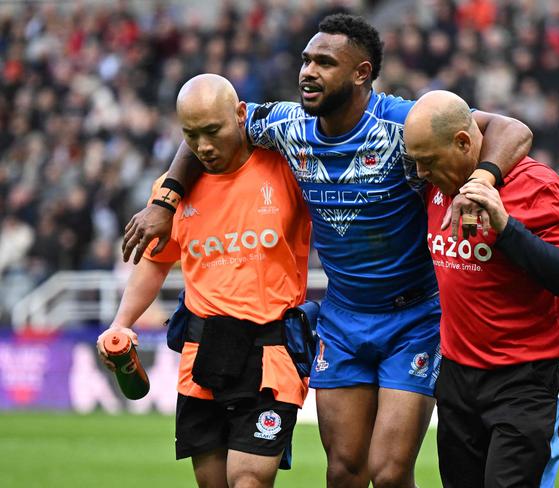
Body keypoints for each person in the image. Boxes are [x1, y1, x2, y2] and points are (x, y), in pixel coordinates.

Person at [121, 14, 532, 488]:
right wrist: (166, 199)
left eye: (324, 62)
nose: (307, 72)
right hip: (342, 317)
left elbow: (511, 129)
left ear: (361, 73)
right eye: (305, 60)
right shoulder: (287, 124)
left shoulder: (402, 123)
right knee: (343, 472)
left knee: (389, 471)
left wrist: (482, 179)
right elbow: (208, 128)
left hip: (412, 318)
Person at [97, 74, 312, 488]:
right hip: (201, 354)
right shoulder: (171, 194)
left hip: (271, 354)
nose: (204, 147)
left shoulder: (286, 168)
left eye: (213, 131)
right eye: (191, 135)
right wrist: (121, 322)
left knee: (248, 480)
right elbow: (156, 263)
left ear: (240, 114)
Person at [404, 90, 559, 487]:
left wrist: (505, 228)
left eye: (427, 161)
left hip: (526, 375)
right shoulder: (438, 182)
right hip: (457, 374)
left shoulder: (537, 184)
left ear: (463, 143)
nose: (419, 173)